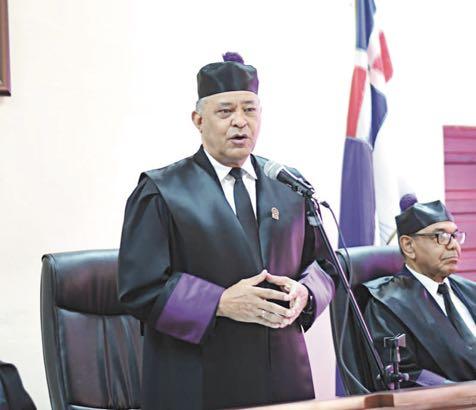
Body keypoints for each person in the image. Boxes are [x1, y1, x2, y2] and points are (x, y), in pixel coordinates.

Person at [117, 52, 335, 410]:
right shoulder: (162, 191)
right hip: (198, 382)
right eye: (225, 111)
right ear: (198, 120)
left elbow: (326, 266)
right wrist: (217, 302)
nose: (240, 122)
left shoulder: (289, 186)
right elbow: (140, 288)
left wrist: (306, 292)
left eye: (250, 110)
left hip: (285, 381)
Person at [362, 196, 476, 388]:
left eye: (455, 236)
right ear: (408, 245)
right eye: (440, 236)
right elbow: (405, 376)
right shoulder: (387, 304)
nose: (453, 245)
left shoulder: (471, 291)